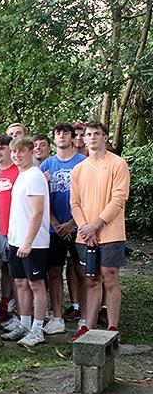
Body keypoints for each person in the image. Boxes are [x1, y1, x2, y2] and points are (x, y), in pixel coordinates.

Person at [70, 121, 130, 340]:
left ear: (105, 137)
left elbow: (119, 199)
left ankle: (113, 328)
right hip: (85, 235)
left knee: (110, 278)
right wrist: (86, 228)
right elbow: (74, 203)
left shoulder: (117, 164)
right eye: (88, 134)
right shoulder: (79, 169)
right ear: (83, 139)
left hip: (110, 232)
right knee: (91, 280)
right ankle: (89, 327)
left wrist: (96, 225)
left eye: (97, 134)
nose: (93, 137)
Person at [1, 137, 50, 348]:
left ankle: (38, 329)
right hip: (16, 239)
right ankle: (24, 322)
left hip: (34, 243)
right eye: (14, 152)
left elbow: (38, 212)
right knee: (19, 282)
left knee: (36, 284)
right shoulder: (21, 176)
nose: (17, 156)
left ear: (30, 151)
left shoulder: (35, 177)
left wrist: (28, 242)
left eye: (21, 151)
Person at [40, 124, 87, 335]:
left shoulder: (83, 163)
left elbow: (88, 198)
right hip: (54, 229)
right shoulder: (46, 166)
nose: (61, 136)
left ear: (72, 137)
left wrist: (72, 223)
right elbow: (41, 199)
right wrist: (57, 224)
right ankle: (57, 317)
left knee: (82, 271)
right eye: (57, 133)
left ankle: (85, 317)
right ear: (54, 138)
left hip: (79, 226)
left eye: (65, 133)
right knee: (54, 272)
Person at [0, 134, 19, 322]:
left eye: (2, 148)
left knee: (18, 272)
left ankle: (20, 311)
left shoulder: (19, 171)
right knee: (5, 267)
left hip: (17, 229)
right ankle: (5, 302)